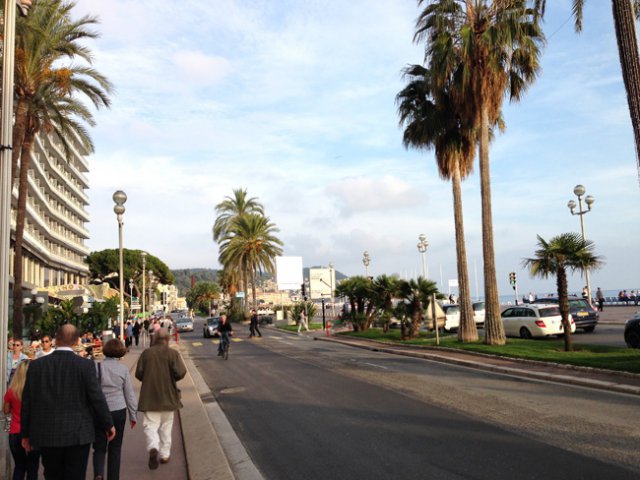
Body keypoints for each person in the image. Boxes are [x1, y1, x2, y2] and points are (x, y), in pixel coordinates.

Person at [20, 324, 115, 480]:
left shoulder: (37, 366)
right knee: (76, 474)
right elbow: (97, 398)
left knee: (52, 475)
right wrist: (108, 424)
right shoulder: (85, 366)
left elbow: (27, 401)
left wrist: (25, 434)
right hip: (78, 434)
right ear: (77, 341)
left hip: (47, 434)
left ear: (56, 340)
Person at [135, 329, 186, 469]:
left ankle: (153, 446)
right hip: (168, 396)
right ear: (167, 339)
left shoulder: (146, 353)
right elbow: (181, 372)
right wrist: (171, 378)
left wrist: (148, 377)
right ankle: (164, 454)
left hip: (150, 397)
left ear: (154, 338)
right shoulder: (173, 353)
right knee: (166, 427)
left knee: (150, 425)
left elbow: (139, 374)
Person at [92, 339, 137, 480]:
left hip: (100, 411)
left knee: (99, 447)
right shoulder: (123, 370)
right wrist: (133, 415)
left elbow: (91, 391)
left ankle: (99, 474)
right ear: (120, 352)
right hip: (118, 410)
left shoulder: (97, 367)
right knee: (115, 448)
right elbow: (129, 394)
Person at [4, 360, 40, 480]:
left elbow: (6, 410)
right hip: (33, 432)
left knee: (19, 466)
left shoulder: (11, 391)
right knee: (33, 468)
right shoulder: (37, 391)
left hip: (15, 432)